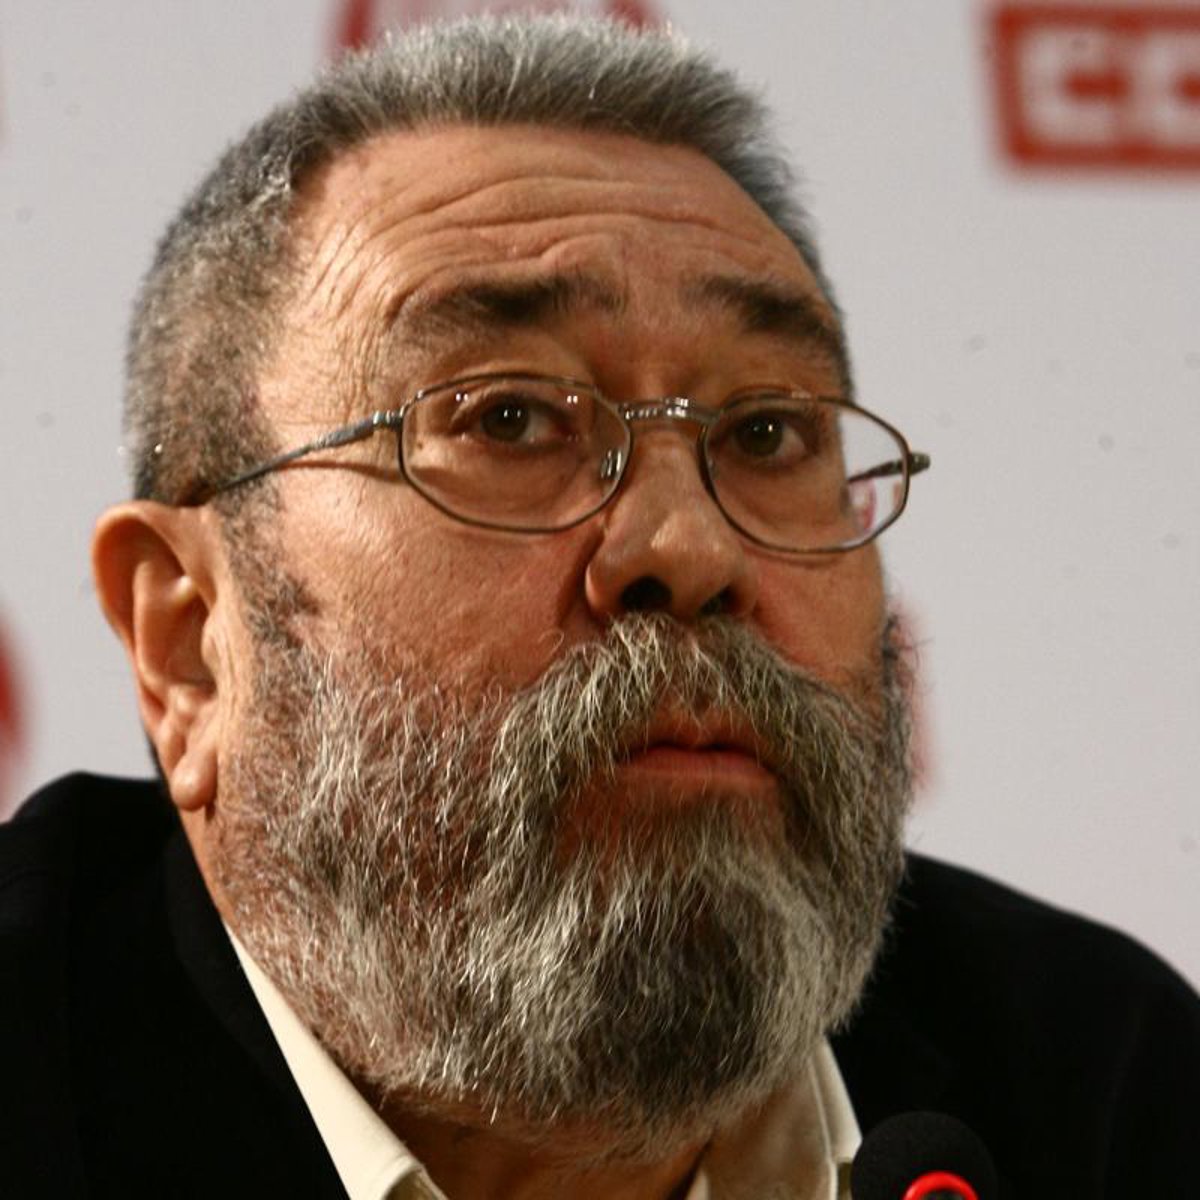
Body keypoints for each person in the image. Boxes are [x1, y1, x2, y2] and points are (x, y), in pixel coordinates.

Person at [2, 15, 1197, 1200]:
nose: (690, 548)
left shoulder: (1104, 1088)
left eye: (766, 432)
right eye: (509, 418)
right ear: (189, 644)